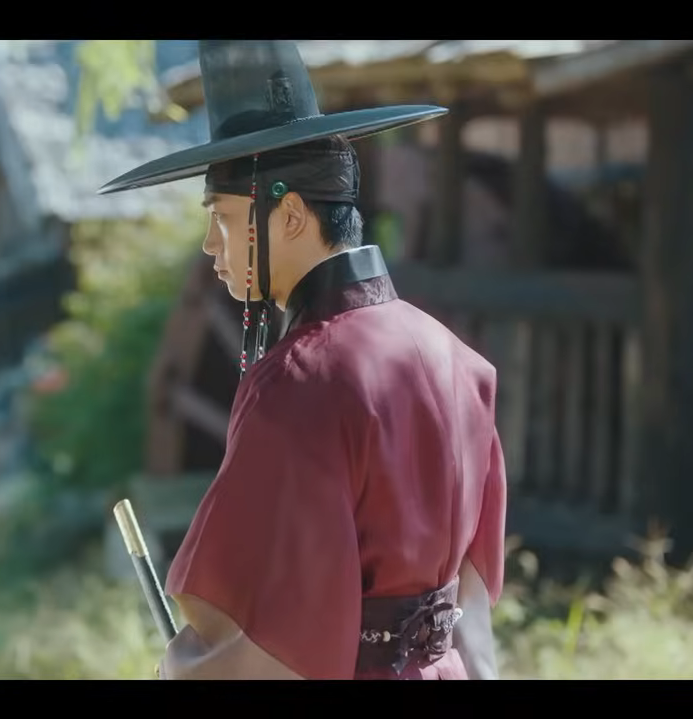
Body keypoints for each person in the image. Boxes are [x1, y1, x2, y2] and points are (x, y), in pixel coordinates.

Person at [97, 40, 507, 680]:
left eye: (222, 217)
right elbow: (472, 595)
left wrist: (182, 671)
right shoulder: (459, 361)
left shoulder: (301, 380)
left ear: (289, 215)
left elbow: (270, 636)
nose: (209, 245)